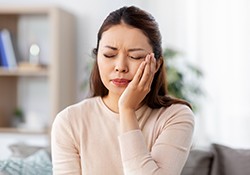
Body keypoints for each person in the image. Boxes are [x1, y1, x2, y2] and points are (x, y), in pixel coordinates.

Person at [51, 6, 195, 175]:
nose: (120, 67)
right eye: (109, 55)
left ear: (155, 64)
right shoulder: (69, 122)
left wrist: (127, 110)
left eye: (135, 57)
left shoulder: (175, 116)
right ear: (97, 58)